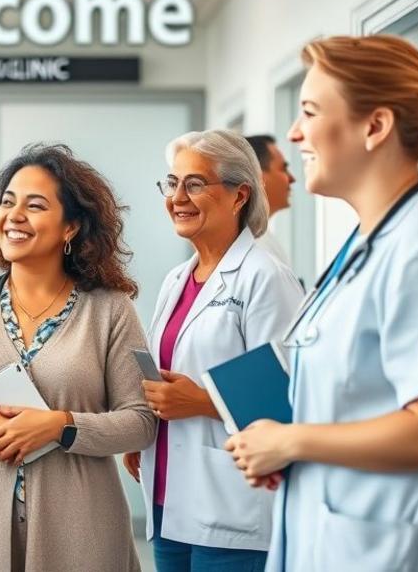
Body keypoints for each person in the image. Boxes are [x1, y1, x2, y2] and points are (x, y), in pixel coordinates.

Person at [225, 35, 418, 572]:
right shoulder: (370, 242)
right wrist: (290, 448)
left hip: (407, 549)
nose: (294, 132)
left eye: (309, 111)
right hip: (344, 537)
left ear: (375, 127)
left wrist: (292, 441)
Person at [0, 143, 157, 572]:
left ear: (70, 228)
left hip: (82, 526)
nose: (14, 215)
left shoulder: (111, 309)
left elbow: (140, 422)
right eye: (8, 202)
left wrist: (59, 425)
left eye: (35, 205)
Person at [122, 130, 302, 571]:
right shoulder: (176, 279)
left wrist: (201, 402)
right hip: (168, 496)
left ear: (240, 195)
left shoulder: (264, 277)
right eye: (172, 183)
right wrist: (146, 427)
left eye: (195, 184)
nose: (177, 197)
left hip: (233, 505)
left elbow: (287, 402)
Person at [245, 134, 296, 265]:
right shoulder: (251, 246)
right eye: (283, 168)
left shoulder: (259, 239)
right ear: (257, 176)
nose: (291, 178)